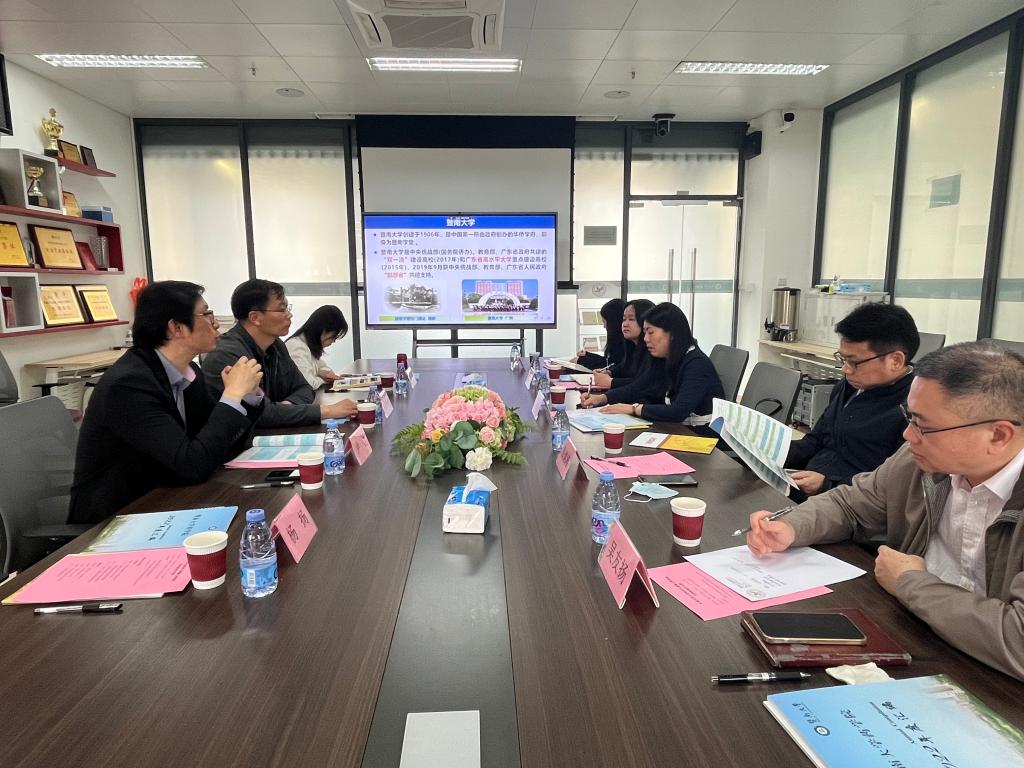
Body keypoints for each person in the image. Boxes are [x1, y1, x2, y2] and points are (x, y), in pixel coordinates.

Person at [746, 342, 1024, 681]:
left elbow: (1018, 641)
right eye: (910, 418)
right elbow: (850, 503)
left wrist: (910, 582)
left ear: (998, 435)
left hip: (994, 679)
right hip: (913, 633)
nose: (908, 435)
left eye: (924, 426)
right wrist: (791, 526)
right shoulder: (921, 461)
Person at [69, 281, 264, 525]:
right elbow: (192, 464)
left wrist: (246, 396)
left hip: (169, 498)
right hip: (117, 518)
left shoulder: (188, 372)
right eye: (206, 314)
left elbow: (217, 446)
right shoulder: (129, 385)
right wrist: (232, 396)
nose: (215, 323)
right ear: (176, 328)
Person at [786, 302, 919, 498]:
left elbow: (893, 486)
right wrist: (772, 453)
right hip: (807, 491)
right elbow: (816, 440)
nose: (846, 369)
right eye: (843, 359)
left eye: (854, 362)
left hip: (848, 505)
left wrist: (827, 485)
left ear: (895, 361)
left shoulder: (914, 411)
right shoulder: (849, 387)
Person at [202, 279, 357, 426]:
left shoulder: (276, 345)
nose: (289, 315)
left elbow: (304, 388)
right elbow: (259, 415)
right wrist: (327, 411)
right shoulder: (228, 355)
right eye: (282, 309)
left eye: (288, 308)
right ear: (255, 317)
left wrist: (283, 410)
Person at [582, 302, 724, 425]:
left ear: (672, 334)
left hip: (701, 435)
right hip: (678, 428)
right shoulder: (666, 358)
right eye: (645, 333)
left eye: (651, 332)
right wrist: (602, 398)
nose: (645, 339)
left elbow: (678, 411)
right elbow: (640, 386)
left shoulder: (696, 364)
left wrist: (633, 409)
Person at [591, 298, 655, 391]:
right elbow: (624, 367)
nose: (625, 324)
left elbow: (643, 383)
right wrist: (609, 372)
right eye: (624, 319)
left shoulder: (652, 350)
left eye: (631, 319)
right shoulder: (631, 346)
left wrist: (611, 382)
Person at [285, 305, 349, 391]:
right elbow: (308, 384)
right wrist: (323, 379)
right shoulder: (297, 347)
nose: (333, 341)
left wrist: (322, 373)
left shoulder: (308, 346)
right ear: (322, 330)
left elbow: (324, 369)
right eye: (333, 336)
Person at [575, 298, 626, 371]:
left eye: (604, 321)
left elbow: (609, 364)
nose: (604, 326)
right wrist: (587, 355)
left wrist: (581, 360)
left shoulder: (624, 342)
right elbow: (608, 360)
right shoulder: (618, 340)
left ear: (613, 322)